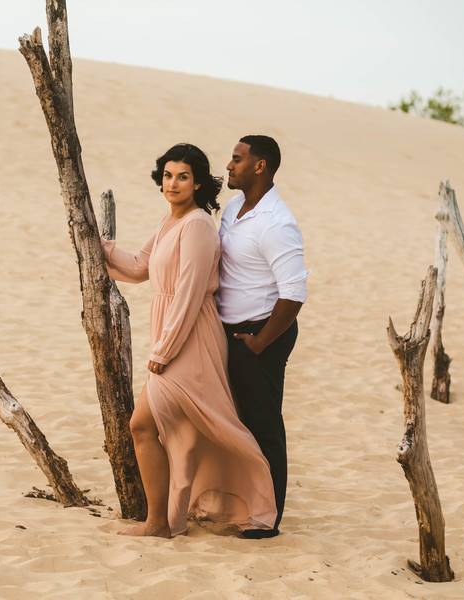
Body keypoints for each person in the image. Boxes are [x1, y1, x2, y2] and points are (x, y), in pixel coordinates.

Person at [102, 143, 277, 538]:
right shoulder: (169, 222)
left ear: (198, 183)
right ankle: (165, 520)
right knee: (174, 433)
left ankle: (159, 523)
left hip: (190, 340)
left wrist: (163, 351)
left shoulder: (197, 225)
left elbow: (189, 293)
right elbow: (137, 267)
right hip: (170, 335)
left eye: (183, 176)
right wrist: (96, 245)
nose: (173, 183)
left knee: (143, 425)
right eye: (167, 175)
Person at [219, 135, 308, 539]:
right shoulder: (235, 207)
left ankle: (267, 518)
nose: (229, 165)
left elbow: (293, 293)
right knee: (236, 421)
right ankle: (241, 503)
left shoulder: (277, 222)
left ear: (260, 166)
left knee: (263, 423)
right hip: (232, 331)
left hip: (261, 333)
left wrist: (260, 342)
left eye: (237, 159)